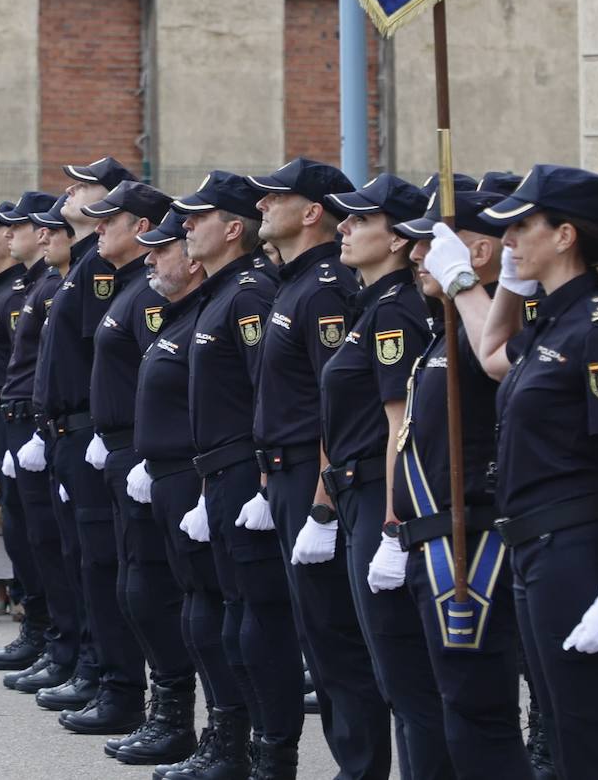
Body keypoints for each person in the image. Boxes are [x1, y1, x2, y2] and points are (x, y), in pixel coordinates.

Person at [428, 164, 598, 778]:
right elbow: (492, 354)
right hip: (532, 546)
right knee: (561, 724)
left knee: (591, 733)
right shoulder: (553, 321)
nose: (507, 240)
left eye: (520, 228)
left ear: (564, 235)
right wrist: (494, 282)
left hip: (574, 548)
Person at [319, 174, 457, 779]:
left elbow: (399, 428)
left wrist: (394, 527)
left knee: (406, 677)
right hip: (356, 493)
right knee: (385, 670)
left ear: (399, 240)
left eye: (359, 221)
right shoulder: (372, 304)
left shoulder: (397, 311)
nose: (343, 229)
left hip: (382, 497)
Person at [247, 158, 381, 780]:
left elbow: (338, 403)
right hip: (286, 473)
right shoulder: (293, 281)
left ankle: (360, 769)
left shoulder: (326, 286)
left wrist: (323, 501)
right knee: (317, 639)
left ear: (312, 212)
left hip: (312, 474)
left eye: (277, 197)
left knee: (334, 640)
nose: (263, 206)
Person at [394, 190, 534, 779]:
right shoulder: (441, 329)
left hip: (469, 539)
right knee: (451, 702)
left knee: (478, 709)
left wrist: (465, 286)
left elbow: (500, 356)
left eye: (433, 245)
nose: (419, 255)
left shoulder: (489, 328)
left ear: (480, 251)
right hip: (432, 535)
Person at [168, 171, 295, 779]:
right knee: (232, 618)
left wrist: (265, 484)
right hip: (218, 473)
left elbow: (264, 392)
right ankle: (230, 744)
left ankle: (268, 757)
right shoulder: (220, 293)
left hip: (247, 473)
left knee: (256, 621)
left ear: (234, 228)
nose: (187, 224)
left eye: (199, 216)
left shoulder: (249, 294)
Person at [75, 181, 195, 754]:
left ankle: (169, 712)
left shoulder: (147, 295)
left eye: (110, 220)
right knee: (128, 580)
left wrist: (138, 447)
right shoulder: (130, 287)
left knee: (149, 586)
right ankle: (151, 705)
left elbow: (160, 376)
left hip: (149, 454)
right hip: (124, 449)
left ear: (143, 226)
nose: (98, 228)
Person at [30, 157, 139, 733]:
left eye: (83, 186)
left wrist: (96, 427)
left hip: (90, 432)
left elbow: (105, 356)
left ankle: (110, 679)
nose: (70, 192)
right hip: (67, 432)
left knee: (100, 562)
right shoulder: (85, 261)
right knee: (82, 559)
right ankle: (94, 671)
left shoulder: (100, 266)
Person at [124, 209, 223, 768]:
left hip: (198, 476)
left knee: (210, 611)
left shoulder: (226, 303)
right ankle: (187, 724)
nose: (152, 258)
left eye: (163, 249)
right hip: (164, 472)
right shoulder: (184, 311)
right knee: (177, 603)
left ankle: (229, 739)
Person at [0, 195, 51, 672]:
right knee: (19, 530)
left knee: (32, 532)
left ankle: (45, 632)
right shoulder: (6, 287)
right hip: (1, 419)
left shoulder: (23, 291)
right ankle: (39, 630)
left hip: (19, 417)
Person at [0, 192, 74, 650]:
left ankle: (60, 643)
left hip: (40, 423)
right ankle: (45, 633)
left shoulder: (52, 284)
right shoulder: (32, 285)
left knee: (48, 540)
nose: (10, 235)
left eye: (18, 226)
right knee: (28, 538)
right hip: (18, 419)